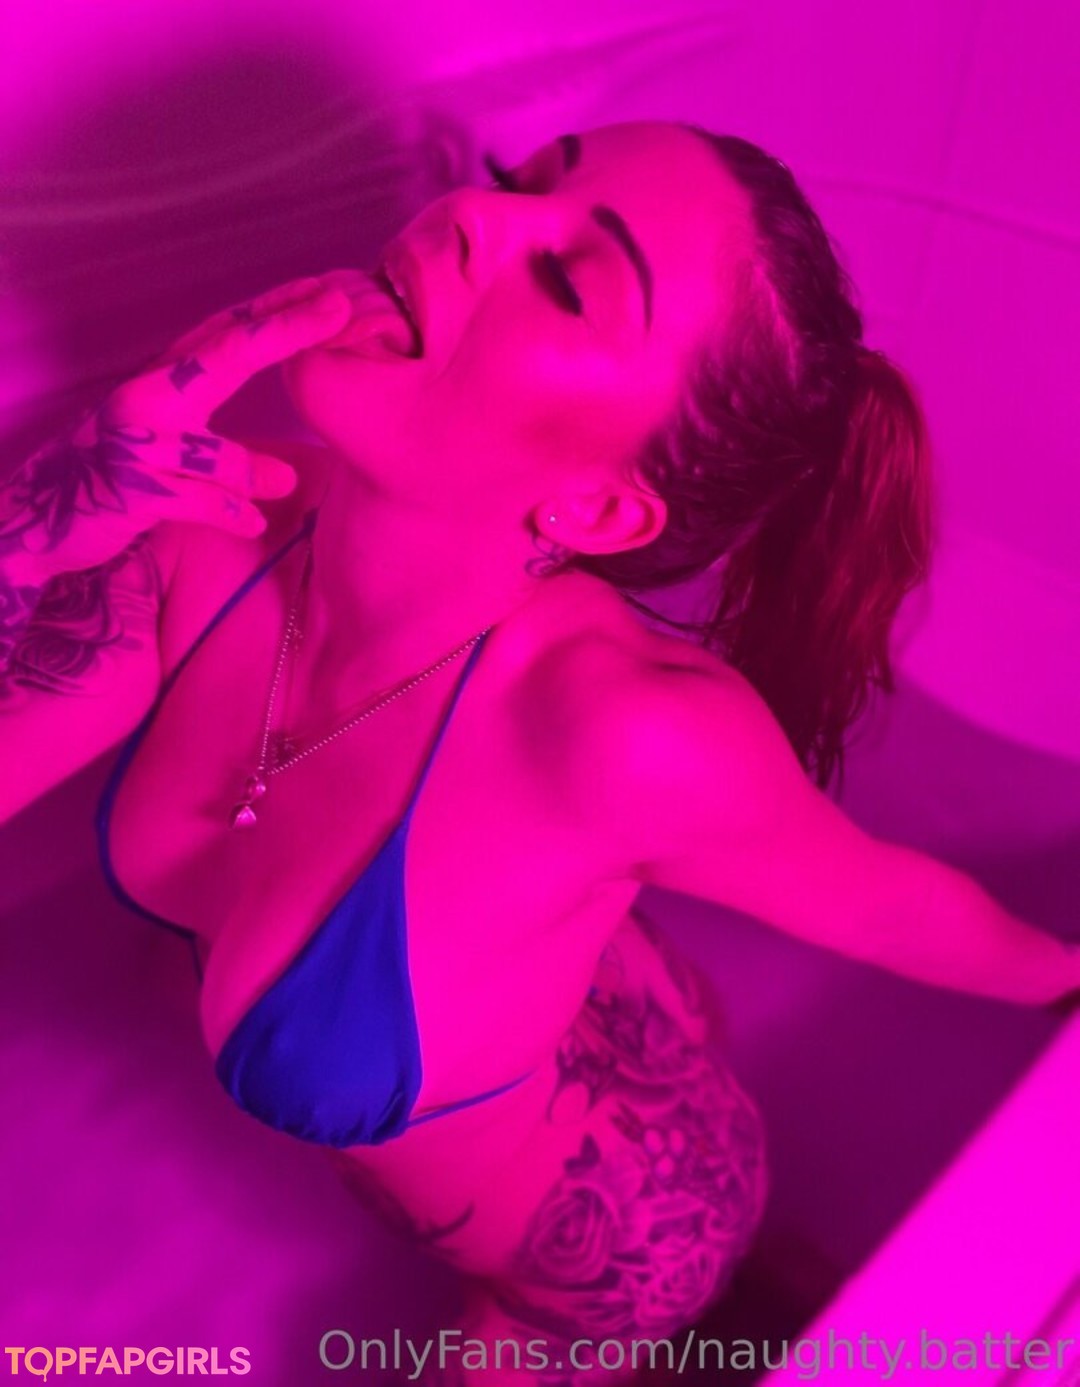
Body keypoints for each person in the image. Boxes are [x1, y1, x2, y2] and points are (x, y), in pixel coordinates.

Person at [1, 119, 1076, 1385]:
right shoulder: (202, 527)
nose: (470, 213)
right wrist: (35, 527)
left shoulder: (628, 734)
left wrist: (1067, 976)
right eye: (517, 181)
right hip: (565, 995)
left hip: (619, 1234)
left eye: (567, 279)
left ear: (600, 507)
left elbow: (891, 904)